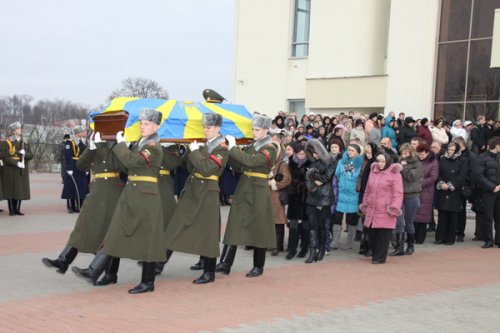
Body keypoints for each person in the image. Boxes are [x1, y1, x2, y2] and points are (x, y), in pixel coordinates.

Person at [72, 108, 165, 294]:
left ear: (156, 126)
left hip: (146, 196)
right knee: (115, 231)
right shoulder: (140, 143)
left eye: (146, 124)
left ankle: (148, 282)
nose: (142, 126)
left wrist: (120, 145)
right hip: (131, 193)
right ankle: (100, 272)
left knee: (148, 238)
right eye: (141, 123)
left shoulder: (153, 146)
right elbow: (125, 165)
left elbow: (132, 162)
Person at [42, 132, 125, 282]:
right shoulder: (99, 146)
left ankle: (110, 273)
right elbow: (81, 164)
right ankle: (63, 260)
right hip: (96, 191)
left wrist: (101, 145)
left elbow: (116, 165)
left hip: (111, 192)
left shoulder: (119, 145)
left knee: (108, 232)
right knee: (81, 226)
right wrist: (91, 148)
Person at [165, 113, 229, 284]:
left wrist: (195, 153)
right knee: (177, 224)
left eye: (208, 127)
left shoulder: (221, 148)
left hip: (208, 191)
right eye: (204, 127)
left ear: (217, 128)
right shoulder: (205, 146)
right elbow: (189, 166)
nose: (205, 130)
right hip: (194, 189)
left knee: (208, 232)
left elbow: (207, 169)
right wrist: (188, 151)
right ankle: (158, 262)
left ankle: (209, 272)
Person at [216, 114, 278, 277]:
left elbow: (251, 161)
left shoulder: (270, 148)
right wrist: (228, 152)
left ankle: (258, 266)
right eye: (253, 129)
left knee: (259, 228)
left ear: (266, 130)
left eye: (257, 130)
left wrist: (233, 149)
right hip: (244, 187)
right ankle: (225, 263)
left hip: (258, 190)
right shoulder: (251, 146)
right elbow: (239, 166)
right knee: (234, 224)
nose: (254, 132)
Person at [359, 151, 403, 264]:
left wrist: (394, 207)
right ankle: (375, 254)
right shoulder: (373, 172)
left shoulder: (394, 174)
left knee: (383, 236)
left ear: (388, 162)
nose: (380, 164)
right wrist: (365, 203)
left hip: (386, 209)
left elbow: (398, 193)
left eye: (383, 161)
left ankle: (379, 257)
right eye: (379, 161)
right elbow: (367, 190)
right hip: (373, 208)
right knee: (372, 235)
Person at [303, 139, 336, 263]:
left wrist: (313, 174)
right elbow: (307, 177)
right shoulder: (310, 162)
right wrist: (314, 176)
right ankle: (312, 251)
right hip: (311, 197)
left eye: (316, 152)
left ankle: (321, 250)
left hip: (324, 198)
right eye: (312, 153)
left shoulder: (330, 162)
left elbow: (325, 178)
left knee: (322, 226)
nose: (314, 155)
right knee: (312, 225)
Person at [390, 143, 423, 256]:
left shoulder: (417, 164)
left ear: (411, 153)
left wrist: (403, 167)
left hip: (412, 195)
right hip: (400, 195)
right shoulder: (399, 161)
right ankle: (399, 247)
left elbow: (411, 177)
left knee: (409, 221)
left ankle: (410, 245)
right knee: (399, 221)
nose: (403, 155)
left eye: (406, 153)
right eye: (402, 153)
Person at [435, 142, 467, 245]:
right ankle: (440, 237)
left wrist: (450, 185)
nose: (450, 152)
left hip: (454, 191)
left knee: (452, 216)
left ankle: (450, 238)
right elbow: (438, 173)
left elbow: (462, 176)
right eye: (449, 149)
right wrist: (442, 183)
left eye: (452, 150)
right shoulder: (443, 159)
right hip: (443, 189)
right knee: (442, 214)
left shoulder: (462, 160)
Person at [332, 144, 363, 250]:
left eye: (353, 150)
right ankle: (335, 241)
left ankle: (350, 242)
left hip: (354, 194)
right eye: (349, 150)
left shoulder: (360, 163)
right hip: (342, 193)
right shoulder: (341, 162)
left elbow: (360, 177)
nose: (350, 152)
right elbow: (337, 174)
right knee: (337, 217)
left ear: (358, 152)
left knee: (351, 219)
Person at [1, 121, 33, 216]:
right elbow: (5, 157)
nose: (20, 130)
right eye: (18, 128)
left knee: (20, 189)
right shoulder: (7, 142)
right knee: (10, 189)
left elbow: (31, 155)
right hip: (11, 169)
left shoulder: (25, 142)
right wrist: (16, 163)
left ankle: (17, 209)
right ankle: (11, 209)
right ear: (14, 131)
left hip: (22, 169)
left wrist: (25, 154)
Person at [285, 143, 310, 259]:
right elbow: (286, 177)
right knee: (293, 224)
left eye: (302, 154)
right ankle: (291, 249)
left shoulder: (310, 163)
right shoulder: (291, 162)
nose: (300, 156)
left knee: (305, 224)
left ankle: (304, 248)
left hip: (305, 197)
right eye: (299, 153)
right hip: (294, 196)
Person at [476, 136, 500, 248]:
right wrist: (492, 187)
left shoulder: (499, 157)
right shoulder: (482, 157)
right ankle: (488, 240)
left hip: (499, 191)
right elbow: (479, 176)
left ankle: (498, 240)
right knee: (488, 217)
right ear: (497, 146)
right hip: (488, 192)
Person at [413, 142, 439, 244]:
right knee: (414, 215)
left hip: (426, 192)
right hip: (414, 191)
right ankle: (412, 236)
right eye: (419, 154)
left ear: (427, 153)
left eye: (422, 154)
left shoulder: (433, 162)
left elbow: (433, 178)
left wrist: (419, 182)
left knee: (423, 216)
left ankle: (420, 238)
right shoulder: (415, 160)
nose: (420, 156)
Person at [61, 126, 89, 213]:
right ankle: (72, 206)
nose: (85, 133)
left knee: (82, 187)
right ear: (78, 133)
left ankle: (80, 205)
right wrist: (69, 168)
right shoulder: (70, 142)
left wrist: (87, 167)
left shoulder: (84, 142)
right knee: (72, 187)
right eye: (83, 131)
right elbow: (68, 156)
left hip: (81, 167)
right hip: (73, 166)